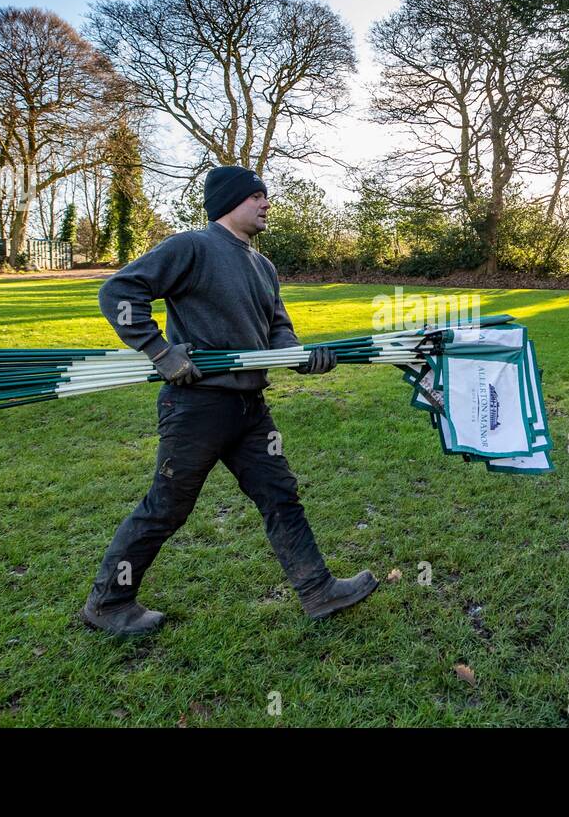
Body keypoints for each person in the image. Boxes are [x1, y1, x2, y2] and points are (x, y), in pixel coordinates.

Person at [79, 166, 377, 637]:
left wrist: (300, 357)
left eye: (266, 196)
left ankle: (318, 589)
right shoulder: (191, 247)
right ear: (230, 203)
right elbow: (118, 290)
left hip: (250, 407)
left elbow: (277, 328)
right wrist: (158, 350)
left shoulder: (263, 266)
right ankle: (108, 603)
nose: (266, 204)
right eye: (257, 196)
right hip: (196, 407)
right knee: (167, 507)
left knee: (280, 494)